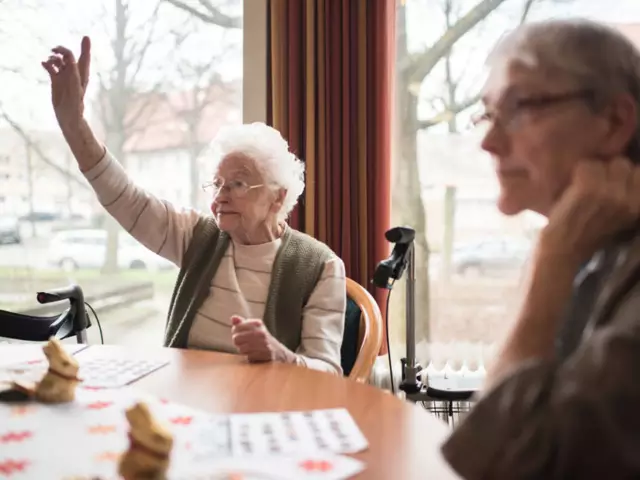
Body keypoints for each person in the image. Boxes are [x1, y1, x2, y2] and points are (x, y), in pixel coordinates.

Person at [41, 37, 346, 374]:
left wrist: (280, 355)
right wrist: (74, 124)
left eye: (238, 183)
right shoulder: (196, 236)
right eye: (217, 184)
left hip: (261, 409)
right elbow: (124, 196)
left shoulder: (321, 265)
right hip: (186, 398)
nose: (220, 196)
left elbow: (329, 371)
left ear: (278, 196)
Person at [441, 19, 640, 479]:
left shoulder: (571, 254)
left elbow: (497, 466)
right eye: (489, 113)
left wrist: (551, 262)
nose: (489, 141)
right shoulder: (591, 246)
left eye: (520, 107)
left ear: (614, 122)